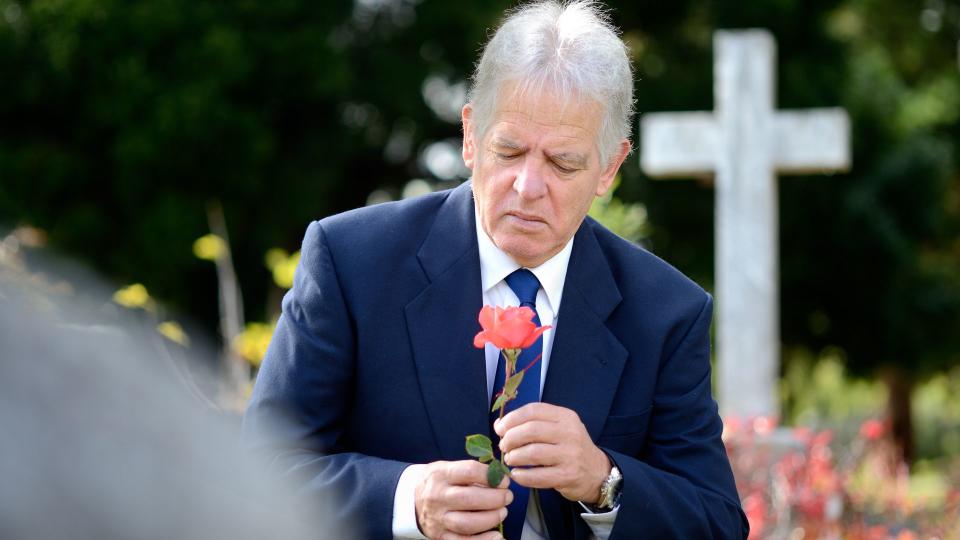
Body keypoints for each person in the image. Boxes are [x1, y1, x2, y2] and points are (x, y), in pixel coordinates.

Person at [243, 1, 748, 539]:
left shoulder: (667, 311)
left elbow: (717, 522)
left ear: (609, 168)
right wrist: (408, 501)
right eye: (509, 151)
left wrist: (604, 480)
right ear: (469, 136)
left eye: (563, 163)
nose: (528, 187)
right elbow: (254, 473)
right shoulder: (351, 261)